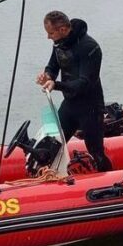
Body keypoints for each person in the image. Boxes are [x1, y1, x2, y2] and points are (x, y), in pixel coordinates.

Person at [35, 11, 112, 171]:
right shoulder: (60, 43)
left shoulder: (90, 48)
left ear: (63, 29)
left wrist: (56, 85)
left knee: (96, 151)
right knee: (54, 145)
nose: (48, 37)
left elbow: (84, 83)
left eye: (50, 33)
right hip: (70, 104)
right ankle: (49, 179)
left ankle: (112, 184)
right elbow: (53, 65)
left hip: (90, 106)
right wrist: (47, 75)